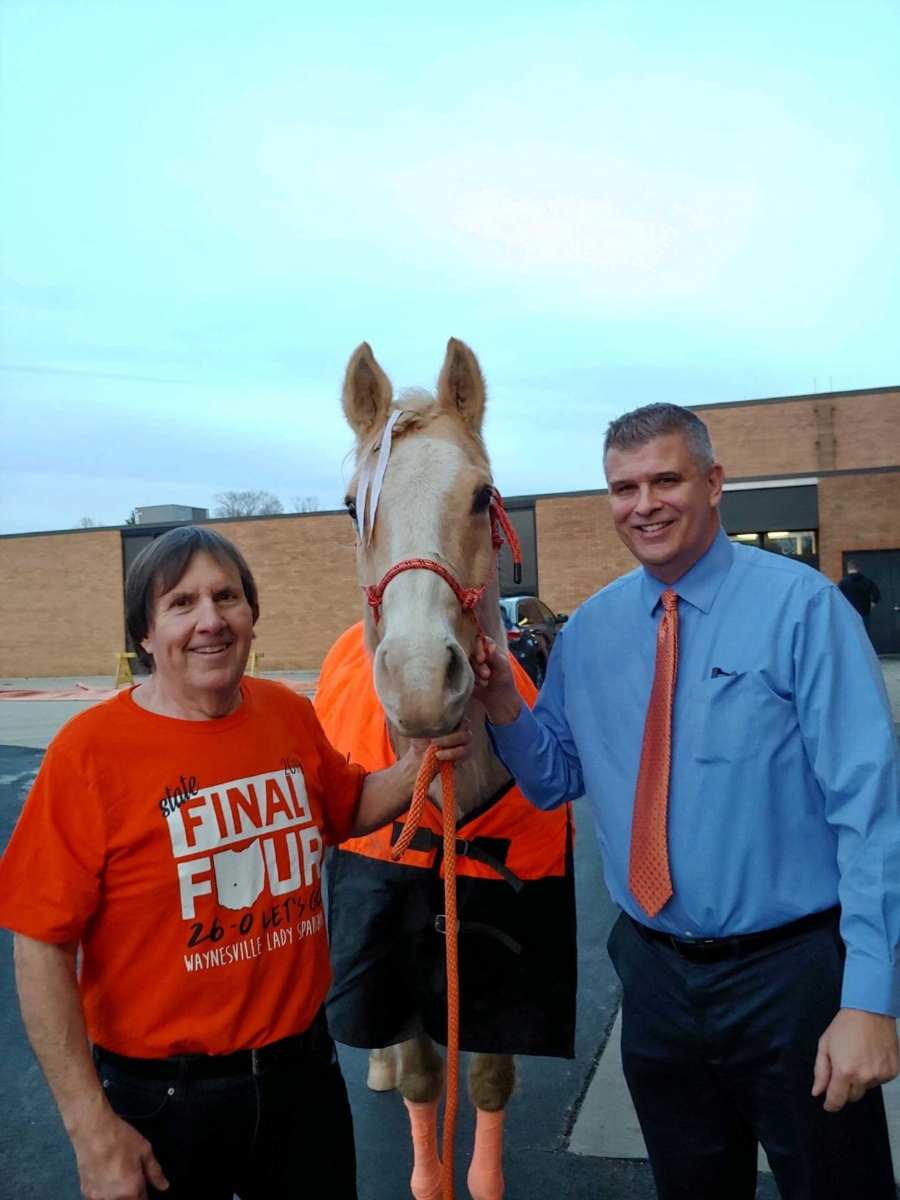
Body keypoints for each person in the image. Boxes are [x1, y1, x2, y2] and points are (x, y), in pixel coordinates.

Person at [473, 403, 900, 1200]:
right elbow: (554, 777)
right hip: (658, 981)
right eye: (623, 487)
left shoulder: (804, 611)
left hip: (793, 977)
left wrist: (871, 1000)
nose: (645, 504)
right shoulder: (591, 633)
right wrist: (503, 703)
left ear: (713, 482)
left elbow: (871, 813)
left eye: (665, 479)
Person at [0, 525, 471, 1200]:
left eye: (227, 597)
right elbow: (40, 946)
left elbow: (347, 807)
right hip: (164, 1104)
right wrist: (89, 1127)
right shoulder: (89, 753)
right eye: (181, 603)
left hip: (304, 1081)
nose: (210, 621)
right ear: (145, 634)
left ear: (252, 616)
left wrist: (427, 756)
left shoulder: (285, 712)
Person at [839, 559, 881, 633]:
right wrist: (871, 605)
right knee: (864, 636)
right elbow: (877, 595)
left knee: (851, 636)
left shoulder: (843, 582)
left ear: (848, 568)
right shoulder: (867, 581)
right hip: (864, 613)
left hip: (849, 614)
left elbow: (838, 598)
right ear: (858, 568)